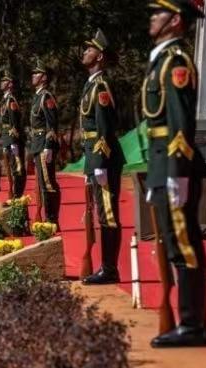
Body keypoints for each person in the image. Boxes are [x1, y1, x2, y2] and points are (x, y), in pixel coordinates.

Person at [143, 0, 206, 347]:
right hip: (163, 165)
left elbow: (181, 125)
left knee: (184, 245)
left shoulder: (176, 62)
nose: (152, 18)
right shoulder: (160, 61)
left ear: (175, 20)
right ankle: (191, 322)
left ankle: (193, 324)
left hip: (175, 167)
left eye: (158, 13)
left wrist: (175, 174)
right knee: (175, 244)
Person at [80, 29, 126, 285]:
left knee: (107, 214)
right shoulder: (91, 84)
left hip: (104, 159)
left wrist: (98, 164)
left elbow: (105, 128)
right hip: (95, 158)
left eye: (89, 49)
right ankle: (107, 267)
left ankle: (110, 270)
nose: (85, 52)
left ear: (99, 56)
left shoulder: (101, 86)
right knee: (101, 213)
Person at [30, 60, 61, 225]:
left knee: (48, 183)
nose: (33, 76)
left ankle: (52, 219)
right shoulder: (37, 97)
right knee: (43, 183)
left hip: (44, 145)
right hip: (37, 143)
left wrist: (49, 146)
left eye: (37, 73)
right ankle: (49, 218)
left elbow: (52, 124)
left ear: (44, 77)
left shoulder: (46, 97)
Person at [0, 71, 26, 204]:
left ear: (10, 84)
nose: (1, 83)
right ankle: (14, 194)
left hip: (12, 139)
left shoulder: (11, 100)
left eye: (4, 81)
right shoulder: (4, 100)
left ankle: (17, 195)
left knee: (17, 167)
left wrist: (14, 140)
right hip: (7, 138)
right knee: (12, 167)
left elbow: (14, 121)